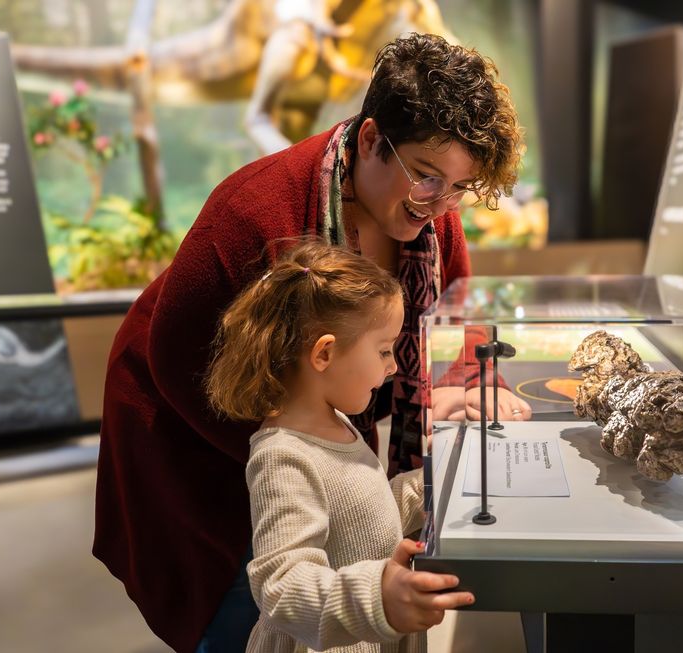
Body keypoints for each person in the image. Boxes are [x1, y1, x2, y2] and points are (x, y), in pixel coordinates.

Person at [94, 32, 530, 652]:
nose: (441, 205)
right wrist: (312, 461)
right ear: (373, 139)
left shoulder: (434, 222)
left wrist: (471, 385)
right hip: (192, 420)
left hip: (312, 427)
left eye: (461, 187)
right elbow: (174, 359)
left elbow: (453, 327)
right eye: (428, 178)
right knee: (246, 597)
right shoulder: (253, 214)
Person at [205, 241, 474, 653]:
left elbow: (363, 515)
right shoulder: (283, 458)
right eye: (384, 350)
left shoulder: (338, 424)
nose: (394, 367)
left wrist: (438, 480)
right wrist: (376, 598)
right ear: (325, 353)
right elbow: (281, 583)